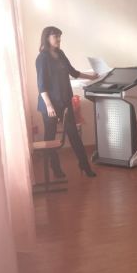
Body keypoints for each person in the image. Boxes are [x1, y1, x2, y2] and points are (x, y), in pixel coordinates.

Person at [35, 26, 97, 178]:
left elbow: (73, 72)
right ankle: (55, 167)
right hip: (49, 104)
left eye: (59, 36)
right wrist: (49, 106)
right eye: (55, 36)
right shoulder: (42, 58)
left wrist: (91, 77)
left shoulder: (60, 54)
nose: (59, 39)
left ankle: (84, 165)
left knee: (74, 134)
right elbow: (42, 85)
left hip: (64, 102)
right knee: (50, 137)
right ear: (47, 38)